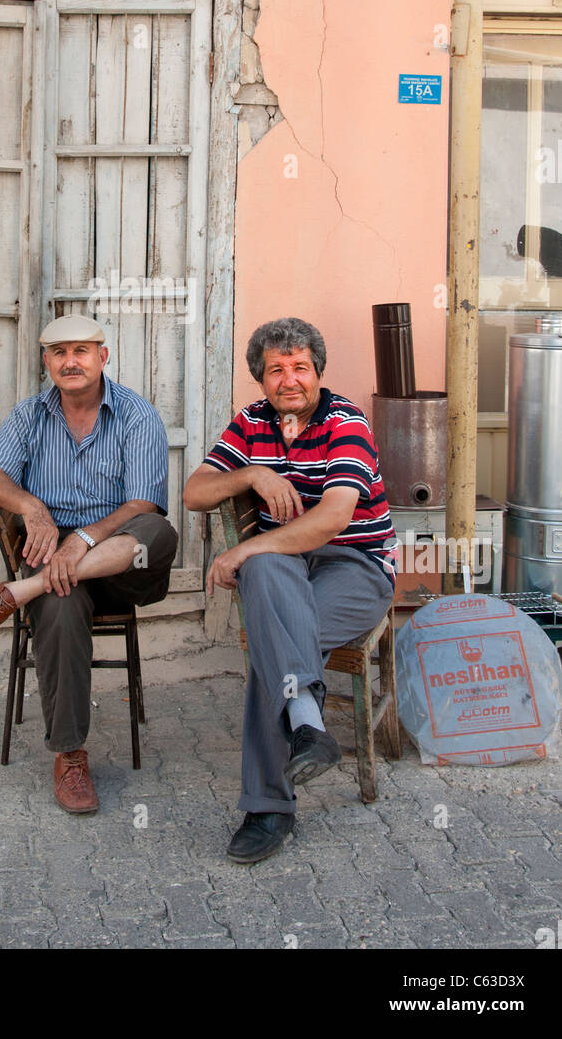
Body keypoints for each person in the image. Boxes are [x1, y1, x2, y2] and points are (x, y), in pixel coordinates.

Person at [183, 317, 396, 864]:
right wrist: (252, 474)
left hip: (356, 567)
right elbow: (195, 492)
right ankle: (307, 728)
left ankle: (268, 807)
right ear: (261, 380)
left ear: (317, 372)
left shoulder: (345, 421)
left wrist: (244, 548)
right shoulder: (251, 424)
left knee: (270, 638)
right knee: (267, 581)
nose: (289, 379)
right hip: (288, 567)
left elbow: (333, 519)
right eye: (276, 370)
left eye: (300, 366)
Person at [0, 315, 177, 814]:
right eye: (58, 352)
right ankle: (70, 755)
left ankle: (16, 595)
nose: (70, 361)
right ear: (46, 362)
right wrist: (33, 508)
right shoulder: (30, 416)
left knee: (159, 533)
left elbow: (143, 505)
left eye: (81, 350)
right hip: (59, 574)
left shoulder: (137, 417)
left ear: (104, 356)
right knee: (57, 602)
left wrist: (81, 540)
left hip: (121, 567)